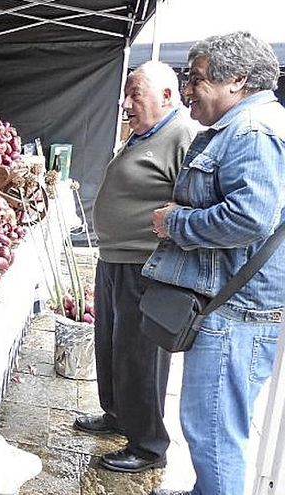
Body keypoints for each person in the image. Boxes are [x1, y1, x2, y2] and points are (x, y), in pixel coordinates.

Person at [145, 32, 284, 495]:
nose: (188, 90)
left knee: (215, 431)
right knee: (211, 426)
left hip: (238, 310)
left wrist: (176, 223)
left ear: (238, 80)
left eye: (198, 79)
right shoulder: (248, 126)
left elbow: (250, 217)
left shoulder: (252, 132)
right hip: (235, 304)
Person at [74, 61, 198, 473]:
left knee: (139, 356)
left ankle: (148, 445)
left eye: (135, 96)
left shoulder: (183, 135)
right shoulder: (143, 133)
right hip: (114, 260)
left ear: (166, 95)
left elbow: (198, 200)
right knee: (111, 344)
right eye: (125, 95)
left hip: (145, 266)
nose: (125, 104)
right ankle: (117, 417)